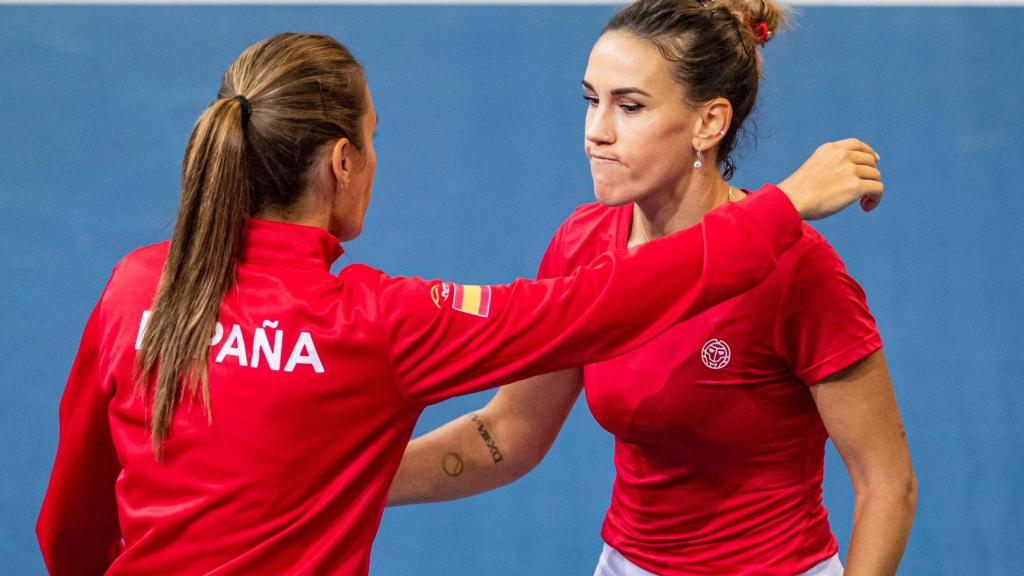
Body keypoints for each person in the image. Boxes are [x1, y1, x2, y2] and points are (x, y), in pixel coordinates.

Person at [36, 31, 880, 576]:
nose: (596, 129)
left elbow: (68, 529)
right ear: (341, 163)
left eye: (624, 105)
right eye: (372, 138)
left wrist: (327, 480)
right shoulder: (379, 323)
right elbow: (609, 305)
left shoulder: (136, 287)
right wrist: (785, 204)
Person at [389, 1, 916, 575]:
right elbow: (511, 430)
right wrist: (353, 481)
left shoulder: (798, 271)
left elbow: (887, 484)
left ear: (708, 123)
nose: (597, 132)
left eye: (630, 106)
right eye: (592, 101)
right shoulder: (581, 244)